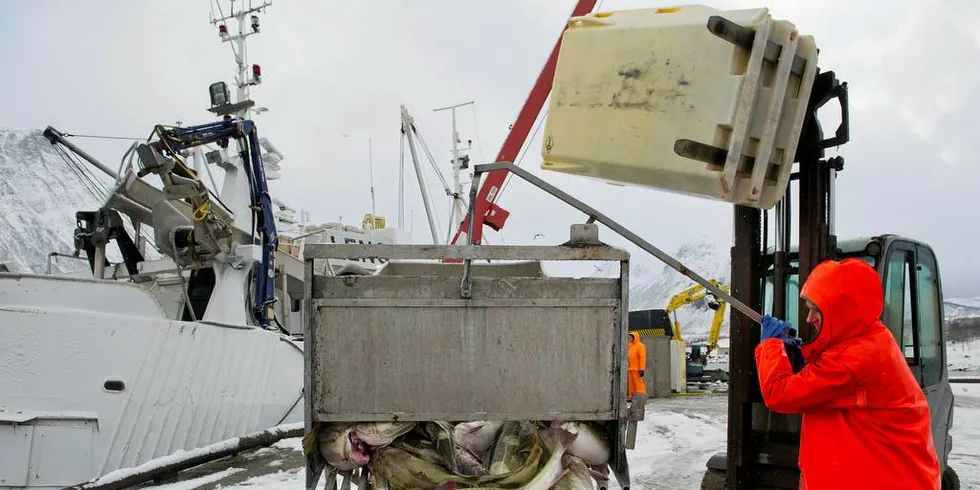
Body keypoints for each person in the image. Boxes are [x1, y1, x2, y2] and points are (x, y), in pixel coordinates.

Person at [755, 258, 941, 490]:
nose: (808, 319)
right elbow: (831, 388)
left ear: (841, 309)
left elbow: (779, 394)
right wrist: (800, 365)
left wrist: (771, 346)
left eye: (816, 310)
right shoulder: (867, 340)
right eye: (808, 308)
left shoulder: (855, 359)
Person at [627, 332, 647, 397]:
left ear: (635, 337)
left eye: (632, 336)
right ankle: (632, 396)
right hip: (630, 368)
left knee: (638, 383)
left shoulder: (640, 346)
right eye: (631, 336)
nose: (631, 338)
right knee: (631, 384)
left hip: (637, 369)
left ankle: (641, 396)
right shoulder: (629, 345)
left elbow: (642, 358)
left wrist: (641, 369)